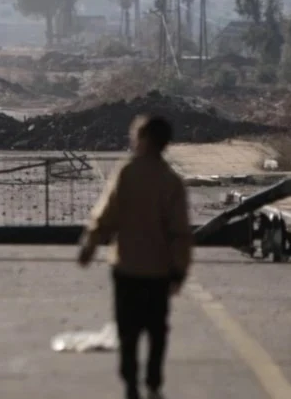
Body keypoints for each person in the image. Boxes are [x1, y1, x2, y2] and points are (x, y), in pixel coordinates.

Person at [79, 115, 192, 399]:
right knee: (157, 330)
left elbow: (105, 215)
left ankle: (130, 384)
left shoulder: (126, 173)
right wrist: (180, 269)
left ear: (143, 140)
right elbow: (180, 232)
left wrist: (90, 245)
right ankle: (153, 383)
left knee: (127, 330)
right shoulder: (171, 182)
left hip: (127, 266)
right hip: (159, 270)